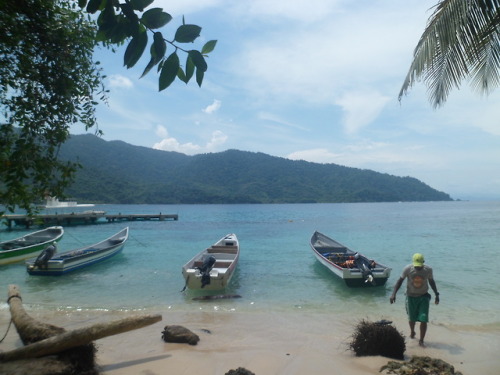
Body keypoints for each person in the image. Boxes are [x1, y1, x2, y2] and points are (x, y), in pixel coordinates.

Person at [390, 253, 439, 347]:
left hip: (423, 296)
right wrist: (393, 294)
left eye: (420, 266)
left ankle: (421, 340)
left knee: (424, 318)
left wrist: (437, 294)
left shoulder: (428, 270)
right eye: (416, 266)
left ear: (423, 263)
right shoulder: (408, 269)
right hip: (410, 296)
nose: (418, 268)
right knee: (411, 318)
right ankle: (412, 332)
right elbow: (400, 281)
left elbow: (431, 281)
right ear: (413, 263)